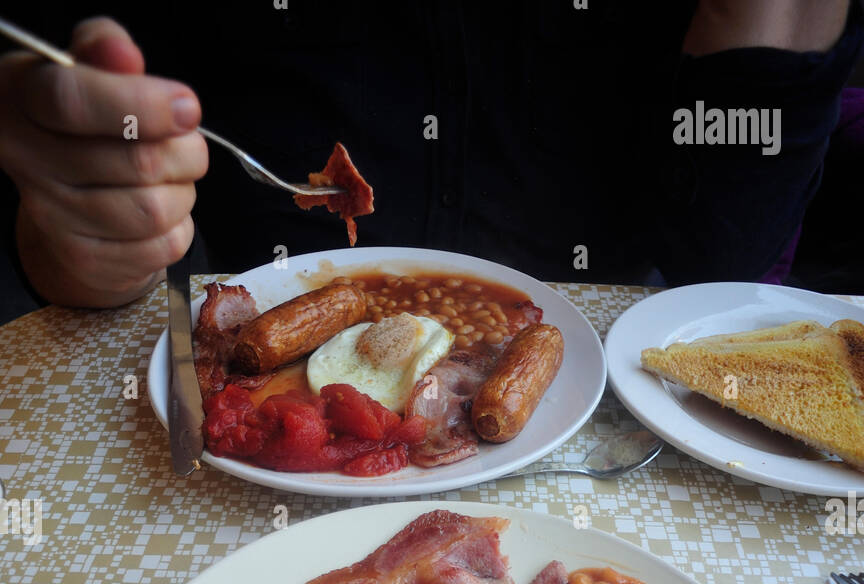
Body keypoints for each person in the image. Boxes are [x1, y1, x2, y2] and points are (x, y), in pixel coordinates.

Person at [0, 0, 861, 318]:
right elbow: (77, 147)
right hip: (209, 399)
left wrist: (766, 28)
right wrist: (78, 241)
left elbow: (724, 268)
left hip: (592, 432)